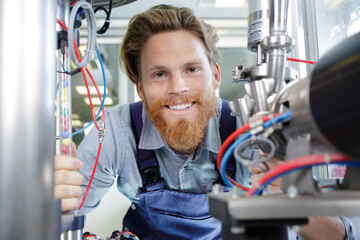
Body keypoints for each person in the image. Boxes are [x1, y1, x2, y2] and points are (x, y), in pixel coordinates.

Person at [54, 4, 354, 240]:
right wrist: (51, 198)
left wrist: (293, 199)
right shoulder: (116, 132)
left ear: (216, 76)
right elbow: (62, 216)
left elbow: (342, 235)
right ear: (140, 87)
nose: (178, 87)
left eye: (192, 69)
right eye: (159, 74)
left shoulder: (252, 129)